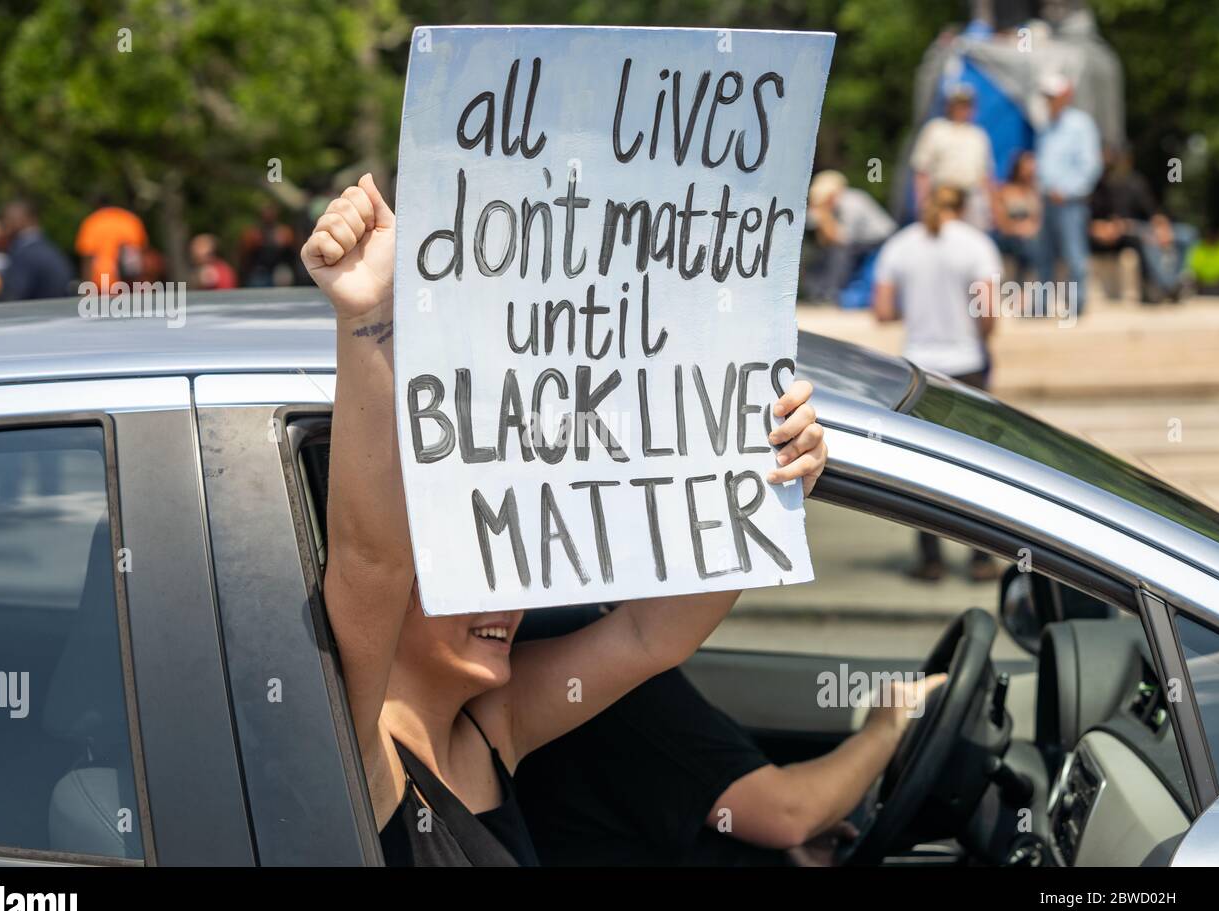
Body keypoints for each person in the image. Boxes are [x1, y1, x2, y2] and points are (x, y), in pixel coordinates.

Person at [302, 175, 830, 866]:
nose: (513, 601)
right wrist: (368, 321)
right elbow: (370, 556)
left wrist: (767, 472)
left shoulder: (490, 730)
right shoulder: (362, 745)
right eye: (479, 563)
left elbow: (652, 635)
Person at [515, 652, 942, 866]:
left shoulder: (590, 652)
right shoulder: (597, 665)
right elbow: (787, 812)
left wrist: (770, 831)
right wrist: (887, 725)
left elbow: (755, 809)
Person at [872, 186, 1000, 581]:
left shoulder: (901, 245)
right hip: (966, 363)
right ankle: (981, 556)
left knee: (922, 464)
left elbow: (882, 310)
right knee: (976, 463)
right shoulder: (977, 245)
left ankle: (931, 559)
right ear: (963, 206)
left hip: (918, 367)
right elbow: (988, 311)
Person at [1033, 73, 1102, 318]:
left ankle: (1076, 306)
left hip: (1070, 202)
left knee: (1074, 255)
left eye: (1052, 96)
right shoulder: (1045, 127)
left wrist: (1067, 190)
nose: (1048, 100)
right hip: (1047, 200)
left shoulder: (1080, 124)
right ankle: (1039, 307)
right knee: (1044, 256)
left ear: (1066, 96)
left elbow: (1090, 165)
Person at [1090, 149, 1195, 304]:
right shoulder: (1098, 186)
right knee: (1146, 238)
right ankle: (1166, 286)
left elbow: (1153, 211)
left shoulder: (1136, 183)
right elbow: (1092, 221)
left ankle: (1173, 281)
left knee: (1187, 234)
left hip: (1140, 227)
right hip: (1123, 233)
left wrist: (1163, 228)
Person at [910, 85, 995, 231]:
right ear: (949, 106)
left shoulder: (978, 135)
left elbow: (986, 176)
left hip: (971, 198)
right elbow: (921, 171)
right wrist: (923, 203)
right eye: (958, 104)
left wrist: (991, 207)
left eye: (966, 105)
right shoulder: (935, 129)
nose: (962, 109)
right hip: (942, 196)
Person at [805, 170, 895, 304]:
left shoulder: (852, 202)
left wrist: (824, 218)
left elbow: (844, 239)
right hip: (859, 241)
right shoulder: (830, 205)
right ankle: (818, 293)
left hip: (880, 240)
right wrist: (819, 213)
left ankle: (832, 293)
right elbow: (809, 226)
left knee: (840, 254)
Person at [0, 200, 75, 301]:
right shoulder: (49, 248)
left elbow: (13, 295)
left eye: (9, 218)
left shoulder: (26, 253)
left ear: (24, 219)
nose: (5, 223)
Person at [75, 200, 149, 292]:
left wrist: (87, 288)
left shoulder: (92, 222)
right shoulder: (131, 220)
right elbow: (142, 253)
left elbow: (87, 258)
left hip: (101, 282)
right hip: (129, 283)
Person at [992, 151, 1042, 280]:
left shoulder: (1036, 192)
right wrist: (1017, 228)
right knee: (1024, 247)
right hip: (1008, 237)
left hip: (1030, 237)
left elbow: (1039, 220)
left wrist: (1031, 228)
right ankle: (1019, 288)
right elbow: (1001, 223)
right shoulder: (1004, 191)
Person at [1188, 224, 1219, 295]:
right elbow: (1193, 267)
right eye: (1210, 235)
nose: (1212, 237)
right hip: (1202, 284)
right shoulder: (1199, 248)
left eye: (1214, 235)